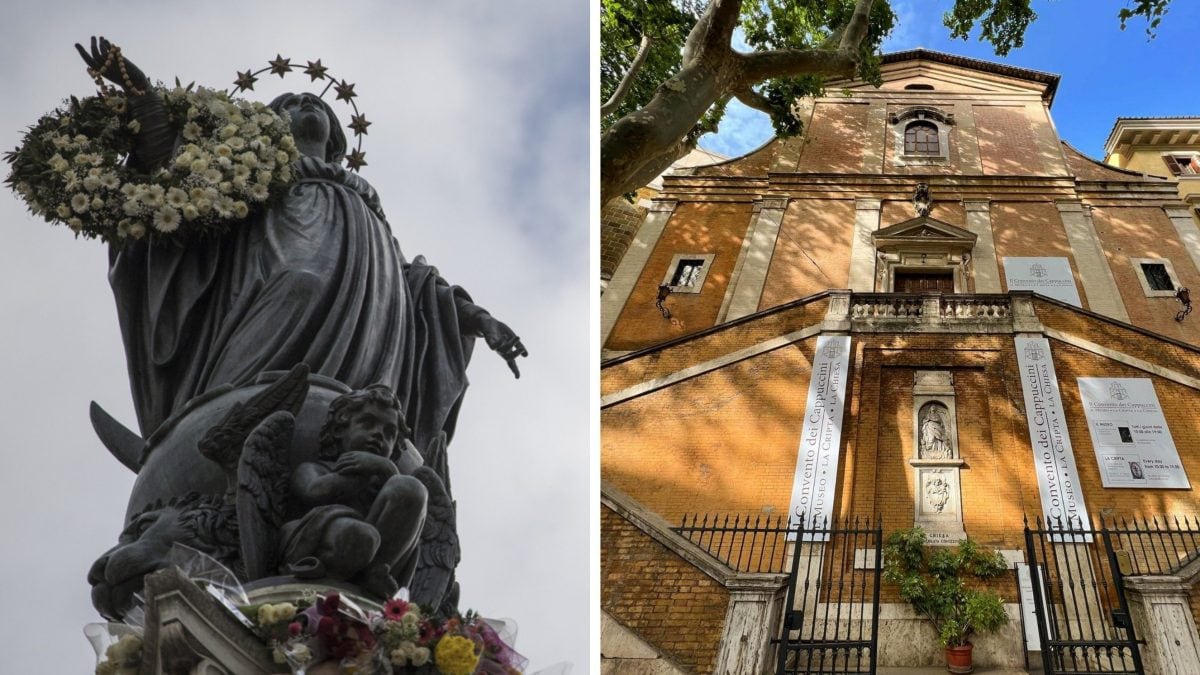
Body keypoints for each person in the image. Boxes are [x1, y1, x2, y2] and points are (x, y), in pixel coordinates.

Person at [76, 38, 528, 462]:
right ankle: (231, 411)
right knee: (300, 284)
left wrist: (482, 321)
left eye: (314, 101)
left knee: (357, 377)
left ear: (335, 133)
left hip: (375, 317)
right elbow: (172, 178)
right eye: (289, 102)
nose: (304, 102)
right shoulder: (248, 180)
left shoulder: (363, 200)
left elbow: (418, 288)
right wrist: (140, 94)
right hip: (270, 274)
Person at [281, 385, 426, 597]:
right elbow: (312, 491)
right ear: (340, 428)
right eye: (368, 423)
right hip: (316, 537)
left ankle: (376, 570)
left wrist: (387, 469)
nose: (378, 435)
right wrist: (360, 475)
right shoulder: (315, 468)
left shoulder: (386, 485)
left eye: (389, 433)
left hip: (366, 549)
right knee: (361, 536)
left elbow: (407, 509)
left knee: (411, 488)